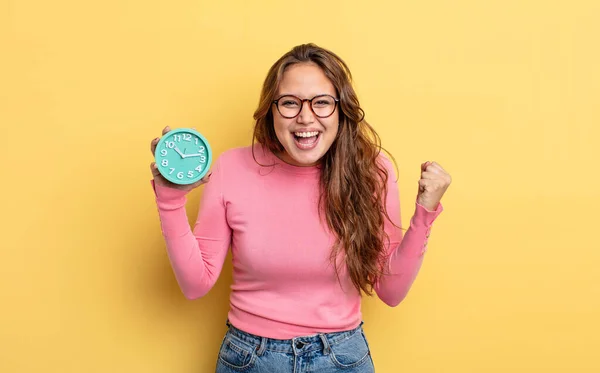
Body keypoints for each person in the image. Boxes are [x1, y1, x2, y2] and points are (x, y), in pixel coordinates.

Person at [148, 43, 451, 373]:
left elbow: (390, 291)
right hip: (250, 358)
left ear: (341, 110)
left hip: (342, 358)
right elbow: (196, 284)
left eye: (321, 103)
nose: (306, 118)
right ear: (271, 111)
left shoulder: (371, 171)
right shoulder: (231, 167)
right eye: (290, 103)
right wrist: (170, 199)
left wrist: (425, 213)